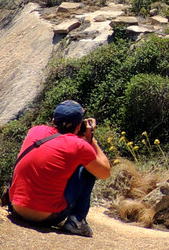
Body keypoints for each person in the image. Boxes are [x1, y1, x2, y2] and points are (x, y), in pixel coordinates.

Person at [9, 100, 111, 236]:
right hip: (46, 217)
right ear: (79, 125)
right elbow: (105, 173)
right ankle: (77, 221)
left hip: (17, 209)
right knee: (87, 171)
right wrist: (91, 139)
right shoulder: (80, 146)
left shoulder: (35, 131)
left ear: (53, 121)